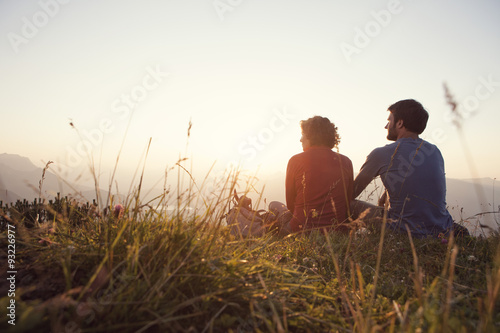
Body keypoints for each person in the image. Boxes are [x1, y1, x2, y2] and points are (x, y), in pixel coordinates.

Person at [351, 99, 454, 237]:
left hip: (403, 230)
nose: (386, 126)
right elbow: (415, 181)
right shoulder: (434, 151)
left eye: (389, 121)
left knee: (349, 205)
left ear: (400, 123)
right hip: (442, 229)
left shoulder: (382, 153)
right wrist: (386, 194)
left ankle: (344, 241)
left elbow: (352, 192)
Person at [279, 116, 353, 234]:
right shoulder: (346, 161)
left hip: (302, 228)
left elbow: (290, 204)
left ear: (310, 136)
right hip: (336, 230)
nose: (300, 140)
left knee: (275, 206)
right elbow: (347, 201)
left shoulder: (295, 161)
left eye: (303, 135)